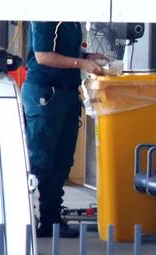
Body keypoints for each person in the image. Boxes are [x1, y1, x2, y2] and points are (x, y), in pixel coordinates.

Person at [22, 21, 107, 238]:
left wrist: (87, 58)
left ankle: (51, 218)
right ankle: (25, 217)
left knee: (62, 158)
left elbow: (62, 48)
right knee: (40, 159)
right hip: (46, 93)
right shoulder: (47, 13)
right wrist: (80, 63)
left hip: (67, 94)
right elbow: (43, 56)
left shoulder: (70, 17)